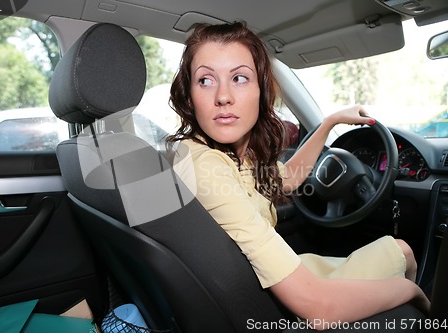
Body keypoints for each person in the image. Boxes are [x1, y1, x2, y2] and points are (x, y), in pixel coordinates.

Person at [166, 21, 430, 328]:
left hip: (286, 273)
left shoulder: (223, 155)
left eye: (238, 78)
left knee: (402, 250)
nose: (223, 96)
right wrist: (411, 292)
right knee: (404, 255)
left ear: (261, 90)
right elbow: (317, 308)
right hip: (284, 302)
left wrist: (328, 123)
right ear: (189, 95)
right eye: (206, 80)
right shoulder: (206, 167)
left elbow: (288, 178)